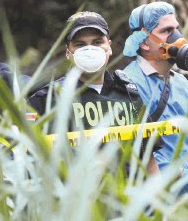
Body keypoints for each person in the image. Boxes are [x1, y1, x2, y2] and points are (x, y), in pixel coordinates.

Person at [29, 11, 159, 174]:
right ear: (68, 52)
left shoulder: (129, 95)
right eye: (80, 44)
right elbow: (26, 159)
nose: (90, 50)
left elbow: (149, 161)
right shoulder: (48, 100)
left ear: (109, 47)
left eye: (97, 42)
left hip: (129, 197)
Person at [122, 2, 188, 188]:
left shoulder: (181, 83)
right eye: (167, 31)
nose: (177, 38)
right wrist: (187, 175)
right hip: (168, 199)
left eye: (177, 29)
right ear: (144, 41)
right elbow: (142, 151)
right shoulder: (129, 84)